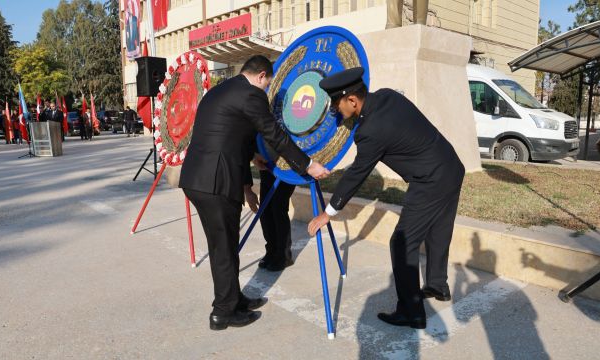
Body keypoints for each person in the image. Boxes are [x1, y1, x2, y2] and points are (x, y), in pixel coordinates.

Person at [179, 55, 330, 331]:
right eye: (267, 84)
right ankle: (222, 312)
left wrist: (253, 159)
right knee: (223, 247)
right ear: (261, 76)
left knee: (224, 243)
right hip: (215, 182)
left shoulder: (223, 89)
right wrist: (309, 165)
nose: (265, 90)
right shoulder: (252, 94)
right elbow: (274, 134)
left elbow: (231, 134)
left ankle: (234, 299)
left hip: (201, 177)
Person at [308, 67, 465, 330]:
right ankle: (438, 286)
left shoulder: (371, 130)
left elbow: (357, 174)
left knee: (402, 242)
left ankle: (411, 312)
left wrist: (328, 213)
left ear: (353, 100)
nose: (336, 110)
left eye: (337, 103)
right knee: (439, 230)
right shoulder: (387, 96)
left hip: (430, 180)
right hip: (451, 166)